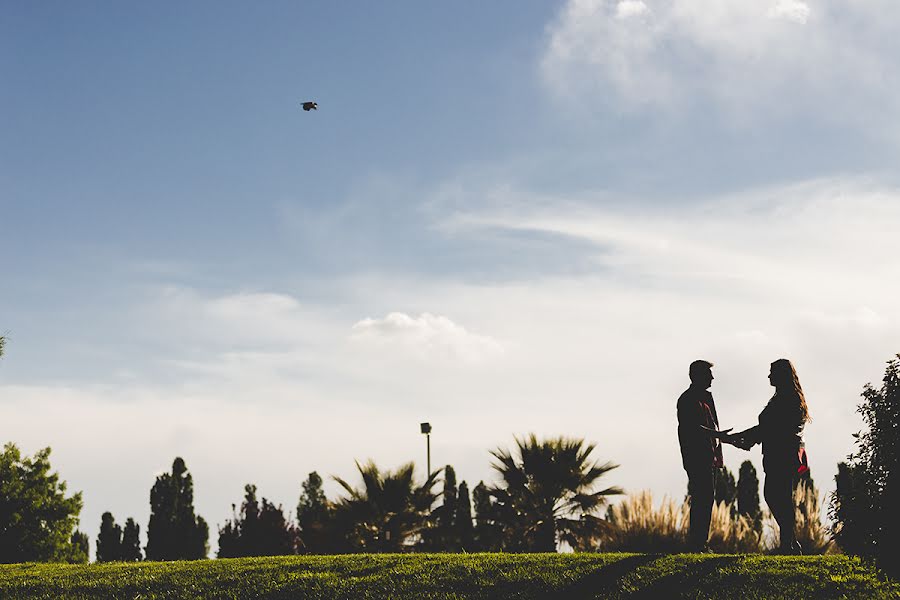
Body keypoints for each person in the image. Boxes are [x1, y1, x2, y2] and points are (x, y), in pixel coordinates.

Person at [723, 359, 811, 555]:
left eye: (772, 373)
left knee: (776, 496)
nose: (769, 376)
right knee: (779, 497)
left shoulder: (786, 399)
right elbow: (765, 430)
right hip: (779, 455)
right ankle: (790, 543)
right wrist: (740, 439)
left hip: (782, 456)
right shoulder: (783, 398)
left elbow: (766, 430)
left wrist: (737, 438)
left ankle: (788, 544)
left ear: (781, 375)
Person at [677, 360, 727, 552]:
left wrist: (721, 440)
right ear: (696, 376)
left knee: (706, 498)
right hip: (696, 457)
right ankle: (697, 543)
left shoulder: (705, 398)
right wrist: (719, 436)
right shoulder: (687, 399)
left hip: (709, 456)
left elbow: (712, 426)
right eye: (708, 374)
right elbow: (693, 428)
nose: (712, 378)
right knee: (701, 498)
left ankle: (700, 542)